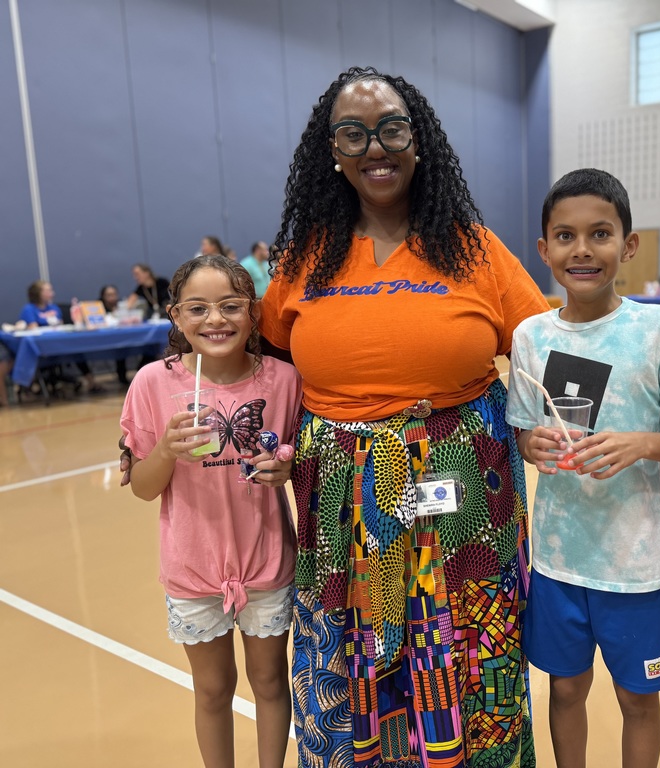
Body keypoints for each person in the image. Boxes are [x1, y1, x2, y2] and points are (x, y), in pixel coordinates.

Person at [257, 66, 548, 767]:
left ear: (419, 139)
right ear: (331, 150)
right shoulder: (302, 261)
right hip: (340, 500)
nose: (374, 147)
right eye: (352, 133)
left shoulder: (473, 247)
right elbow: (264, 369)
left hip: (464, 488)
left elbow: (555, 347)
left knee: (471, 646)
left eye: (390, 128)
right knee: (351, 646)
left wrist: (637, 393)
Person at [506, 168, 660, 768]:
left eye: (599, 233)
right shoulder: (530, 336)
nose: (582, 250)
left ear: (629, 244)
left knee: (637, 699)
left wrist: (640, 445)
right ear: (544, 251)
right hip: (559, 560)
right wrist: (531, 445)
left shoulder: (658, 329)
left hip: (635, 564)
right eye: (564, 237)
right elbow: (523, 429)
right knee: (565, 689)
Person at [120, 253, 302, 768]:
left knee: (269, 680)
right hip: (192, 566)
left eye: (230, 306)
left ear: (253, 313)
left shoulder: (284, 380)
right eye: (197, 309)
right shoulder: (153, 384)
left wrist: (284, 469)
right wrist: (166, 452)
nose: (215, 320)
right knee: (212, 689)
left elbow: (297, 459)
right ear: (176, 317)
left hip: (266, 561)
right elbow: (143, 489)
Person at [19, 280, 100, 393]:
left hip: (58, 343)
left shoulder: (53, 308)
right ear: (38, 293)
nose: (52, 293)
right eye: (48, 290)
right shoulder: (29, 309)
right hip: (42, 347)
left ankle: (91, 381)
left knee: (76, 349)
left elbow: (60, 324)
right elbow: (33, 327)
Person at [99, 284, 131, 386]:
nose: (112, 297)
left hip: (120, 335)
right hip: (103, 337)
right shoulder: (98, 308)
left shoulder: (121, 306)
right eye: (109, 295)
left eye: (114, 294)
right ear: (103, 296)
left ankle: (123, 377)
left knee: (122, 347)